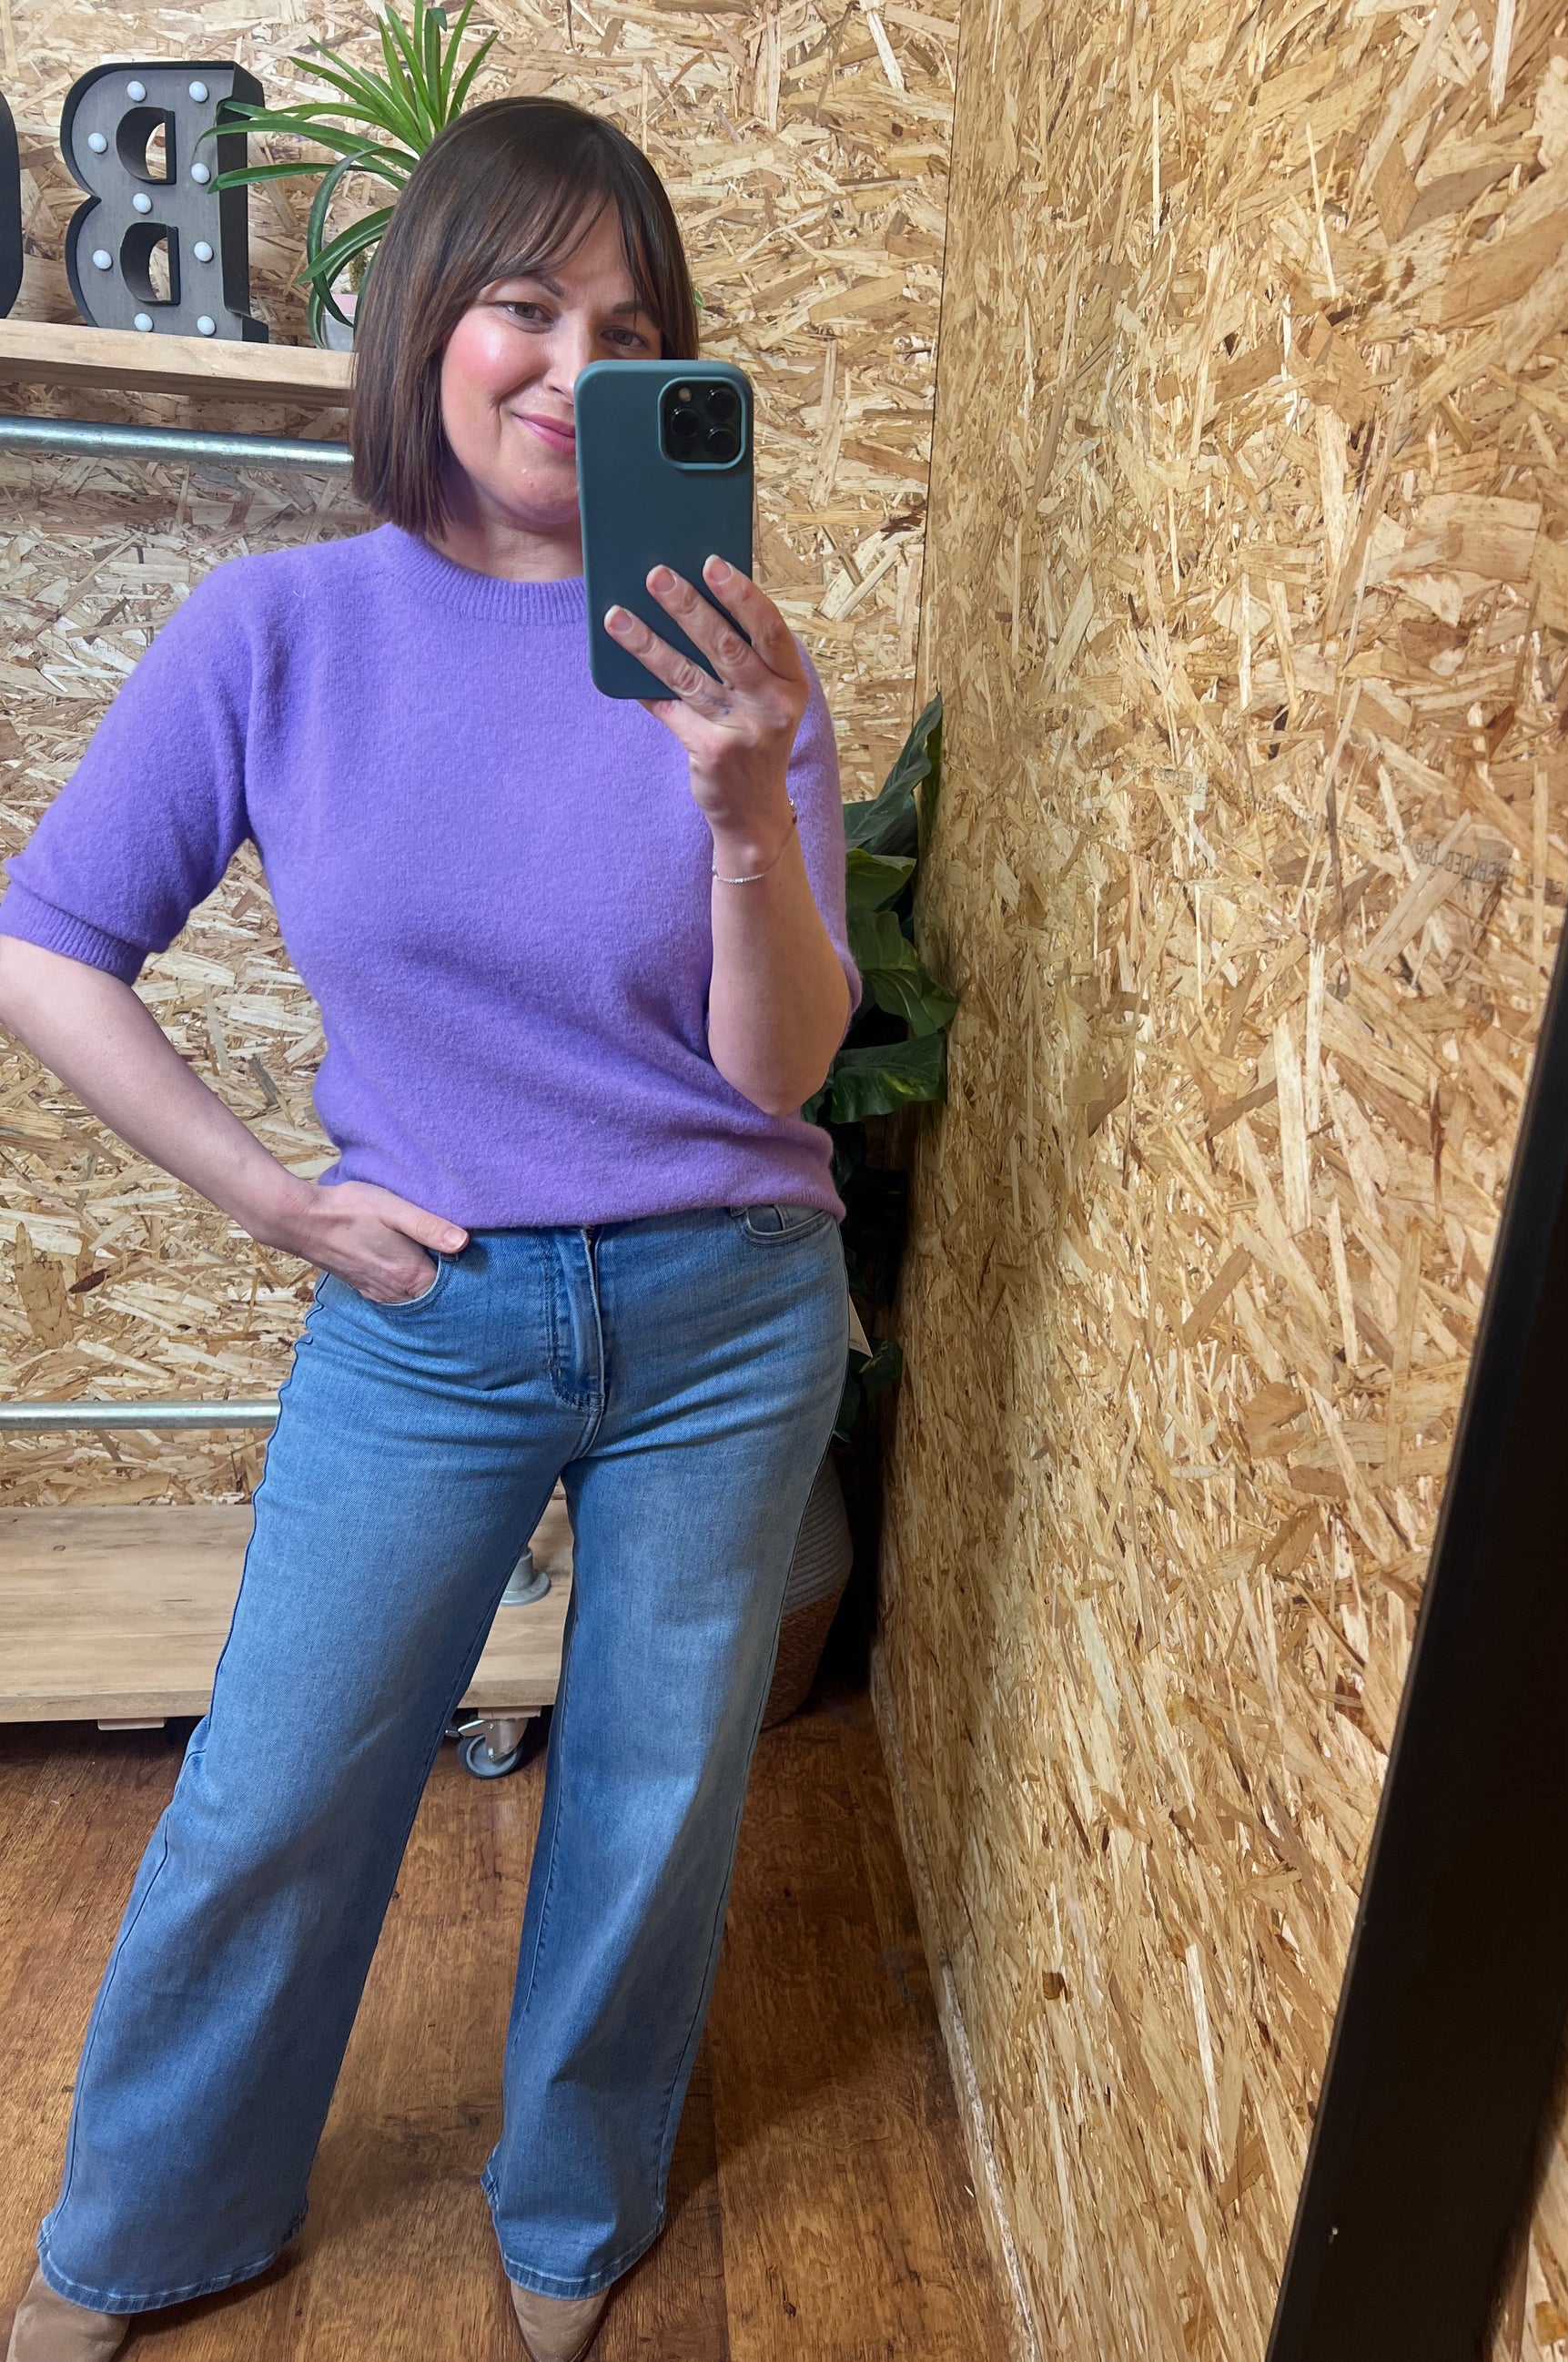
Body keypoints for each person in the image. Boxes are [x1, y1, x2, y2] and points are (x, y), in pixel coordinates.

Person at [0, 96, 855, 2362]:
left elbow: (777, 1071)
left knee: (651, 1800)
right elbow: (47, 945)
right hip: (430, 1312)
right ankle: (143, 2226)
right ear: (421, 327)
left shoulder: (734, 662)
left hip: (729, 1311)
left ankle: (573, 2212)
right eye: (522, 306)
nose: (573, 367)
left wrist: (742, 807)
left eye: (629, 331)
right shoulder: (279, 630)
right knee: (277, 1787)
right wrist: (274, 1198)